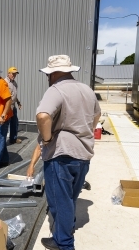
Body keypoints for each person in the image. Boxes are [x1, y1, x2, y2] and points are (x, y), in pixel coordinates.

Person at [36, 55, 101, 250]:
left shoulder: (56, 89)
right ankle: (66, 229)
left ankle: (63, 243)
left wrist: (47, 139)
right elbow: (97, 115)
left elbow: (43, 115)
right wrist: (84, 131)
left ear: (53, 73)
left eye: (48, 74)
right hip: (83, 153)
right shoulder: (87, 90)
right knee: (70, 197)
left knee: (59, 201)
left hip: (61, 154)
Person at [4, 67, 22, 144]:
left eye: (15, 74)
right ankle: (2, 141)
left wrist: (18, 102)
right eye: (13, 73)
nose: (14, 75)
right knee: (5, 124)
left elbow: (14, 95)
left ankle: (13, 139)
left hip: (13, 106)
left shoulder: (14, 83)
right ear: (8, 73)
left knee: (14, 122)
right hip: (7, 107)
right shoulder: (5, 82)